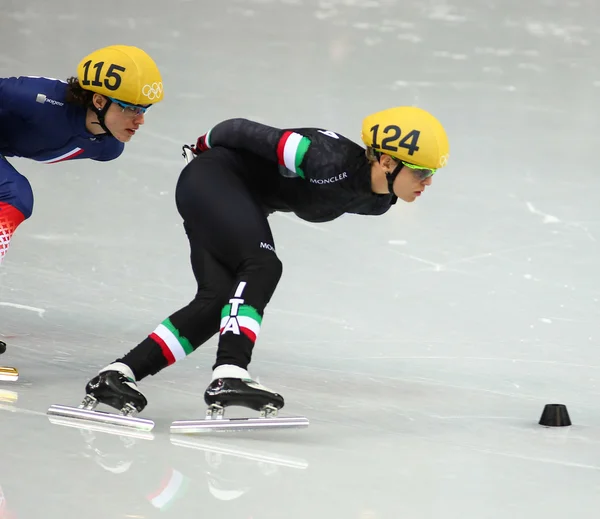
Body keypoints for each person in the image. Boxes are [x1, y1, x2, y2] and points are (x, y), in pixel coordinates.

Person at [80, 106, 450, 418]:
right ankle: (230, 373)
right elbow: (237, 129)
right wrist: (203, 146)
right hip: (213, 178)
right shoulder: (322, 156)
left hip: (232, 197)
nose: (428, 182)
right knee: (263, 264)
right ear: (386, 161)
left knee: (217, 301)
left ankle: (117, 375)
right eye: (421, 172)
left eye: (432, 174)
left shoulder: (378, 202)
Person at [0, 44, 165, 356]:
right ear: (99, 100)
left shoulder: (107, 147)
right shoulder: (40, 99)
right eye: (130, 108)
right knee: (14, 194)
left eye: (145, 109)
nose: (139, 120)